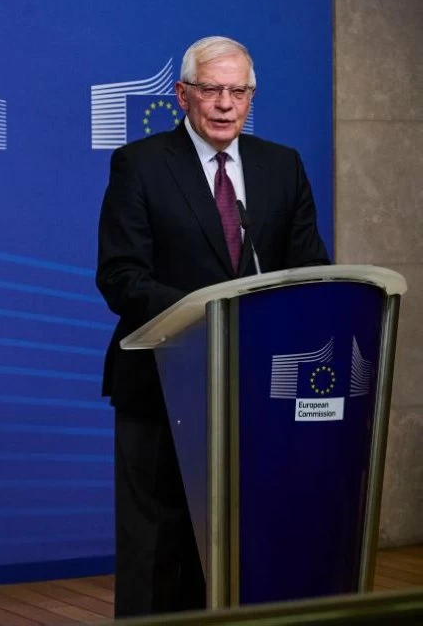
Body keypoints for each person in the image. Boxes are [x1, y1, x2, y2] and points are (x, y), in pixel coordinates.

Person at [96, 36, 330, 618]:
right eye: (211, 90)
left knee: (250, 542)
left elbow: (312, 269)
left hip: (261, 389)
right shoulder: (141, 165)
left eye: (239, 91)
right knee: (160, 549)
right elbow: (121, 276)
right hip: (164, 386)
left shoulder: (283, 166)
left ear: (251, 97)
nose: (226, 104)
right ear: (183, 95)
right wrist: (215, 316)